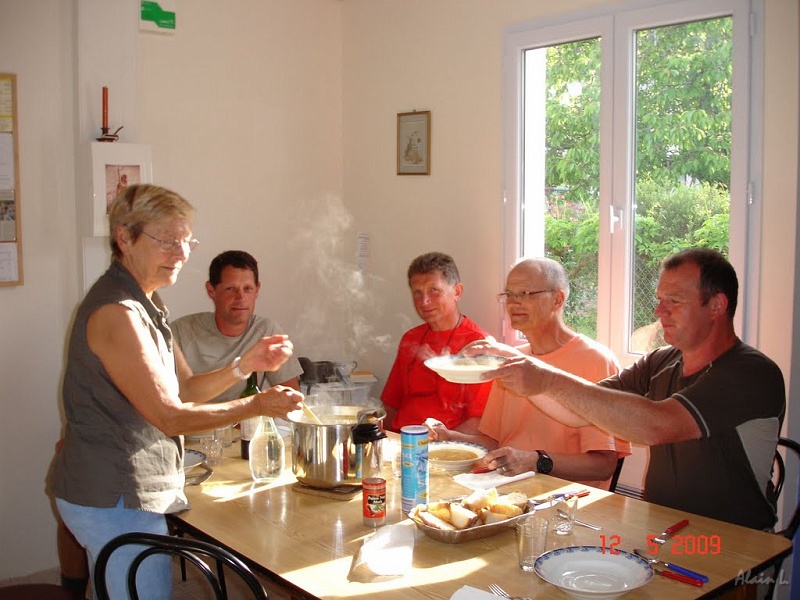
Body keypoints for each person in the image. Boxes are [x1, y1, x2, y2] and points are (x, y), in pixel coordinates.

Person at [47, 184, 304, 599]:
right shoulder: (118, 312)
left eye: (186, 241)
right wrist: (256, 403)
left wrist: (246, 365)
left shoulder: (147, 301)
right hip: (113, 496)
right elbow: (170, 415)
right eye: (167, 240)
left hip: (123, 492)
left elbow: (186, 387)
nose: (181, 253)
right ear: (125, 238)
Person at [474, 248, 785, 530]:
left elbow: (656, 425)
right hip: (660, 527)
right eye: (659, 300)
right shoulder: (661, 362)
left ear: (717, 305)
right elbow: (575, 411)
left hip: (734, 540)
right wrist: (515, 364)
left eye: (673, 301)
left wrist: (547, 378)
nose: (659, 312)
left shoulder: (750, 372)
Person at [428, 257, 630, 489]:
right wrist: (450, 437)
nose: (513, 303)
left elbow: (603, 466)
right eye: (509, 295)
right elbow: (494, 442)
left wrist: (536, 460)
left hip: (568, 500)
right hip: (506, 487)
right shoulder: (508, 359)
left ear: (558, 299)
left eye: (524, 293)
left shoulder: (595, 360)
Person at [381, 252, 492, 433]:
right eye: (417, 292)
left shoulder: (479, 344)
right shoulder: (411, 339)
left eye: (434, 290)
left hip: (448, 448)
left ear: (457, 292)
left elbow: (480, 422)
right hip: (402, 442)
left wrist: (437, 445)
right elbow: (391, 405)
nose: (424, 301)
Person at [171, 250, 303, 402]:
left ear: (257, 290)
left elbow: (292, 399)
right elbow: (170, 401)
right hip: (195, 424)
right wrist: (241, 367)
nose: (240, 298)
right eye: (230, 289)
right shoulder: (180, 332)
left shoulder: (266, 332)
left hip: (245, 425)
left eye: (247, 289)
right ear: (211, 290)